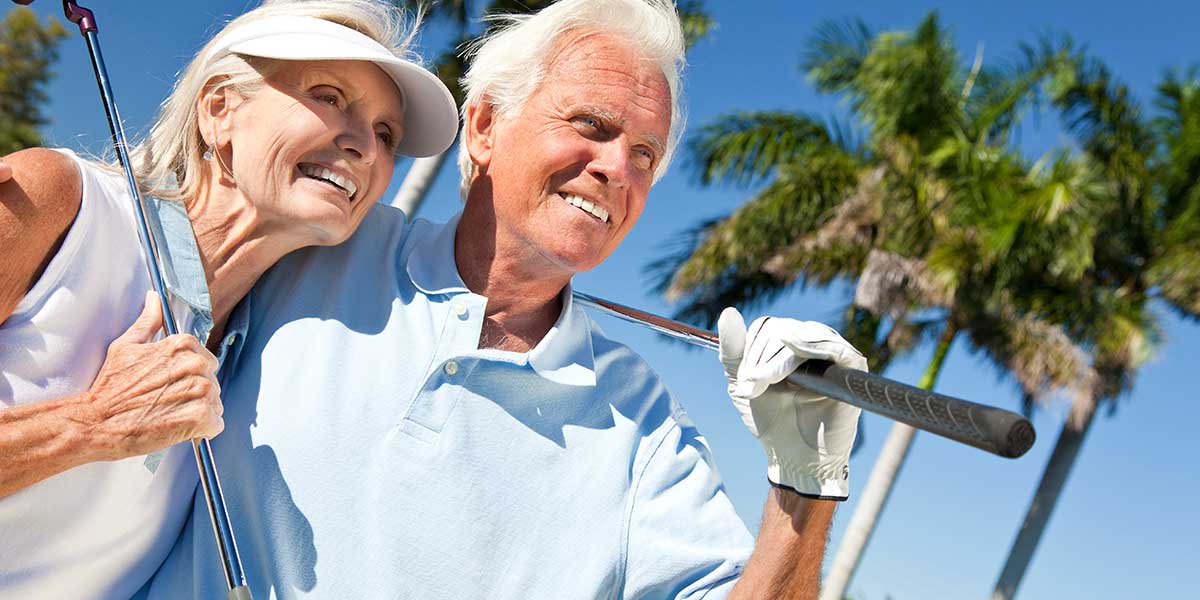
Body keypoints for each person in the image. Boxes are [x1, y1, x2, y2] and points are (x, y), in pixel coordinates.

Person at [147, 0, 866, 598]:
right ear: (485, 125)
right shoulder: (317, 245)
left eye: (645, 155)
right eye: (592, 126)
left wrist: (805, 483)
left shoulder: (645, 429)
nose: (618, 167)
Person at [0, 1, 457, 597]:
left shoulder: (265, 356)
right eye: (328, 96)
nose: (364, 147)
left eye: (386, 134)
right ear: (219, 111)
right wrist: (90, 424)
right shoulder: (54, 202)